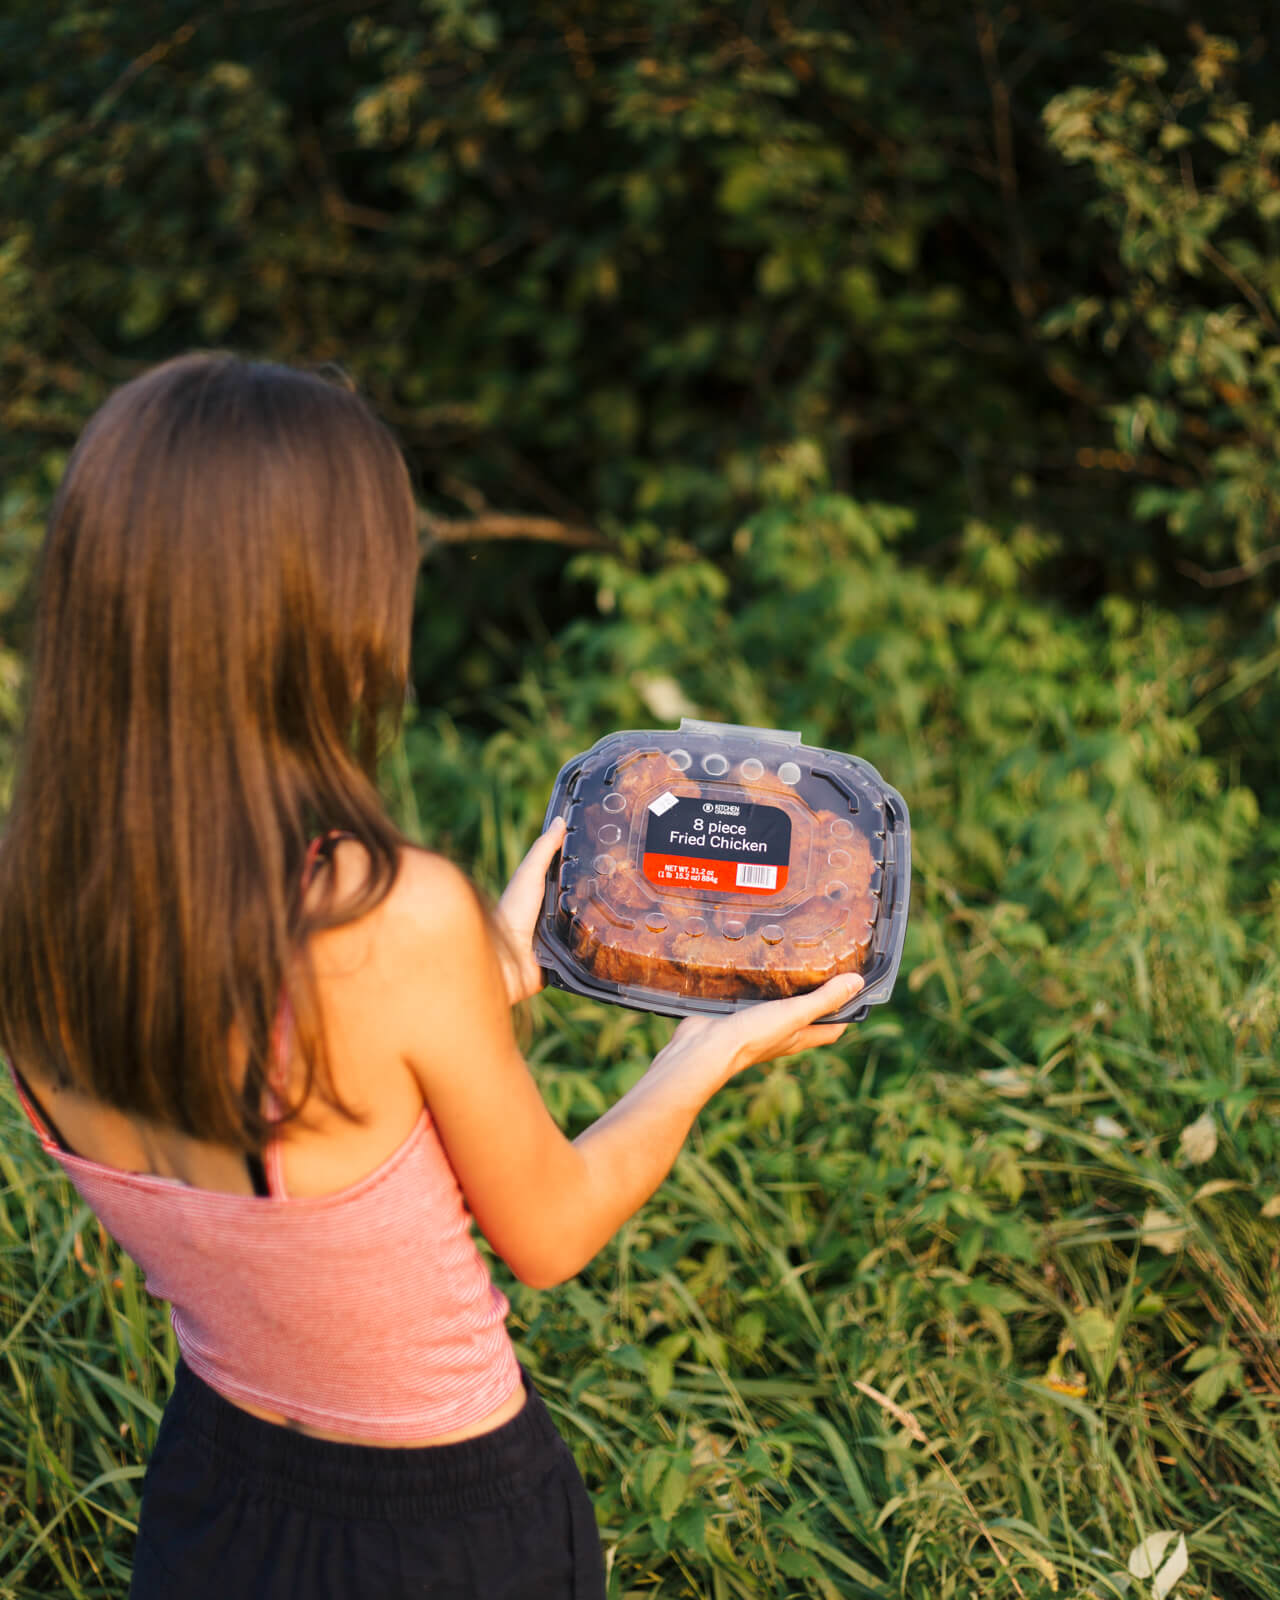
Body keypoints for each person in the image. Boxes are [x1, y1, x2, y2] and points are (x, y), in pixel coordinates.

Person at [0, 352, 865, 1599]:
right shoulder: (385, 915)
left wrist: (493, 970)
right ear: (326, 608)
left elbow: (274, 1103)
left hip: (209, 1501)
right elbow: (552, 1231)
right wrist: (701, 1054)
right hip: (441, 1529)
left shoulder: (41, 913)